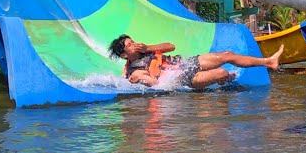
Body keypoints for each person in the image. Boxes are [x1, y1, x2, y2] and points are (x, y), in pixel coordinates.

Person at [108, 34, 282, 90]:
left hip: (186, 63)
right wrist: (142, 78)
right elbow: (155, 83)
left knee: (227, 55)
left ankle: (269, 62)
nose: (135, 44)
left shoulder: (146, 49)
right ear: (124, 55)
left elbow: (171, 46)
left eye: (133, 41)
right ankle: (224, 78)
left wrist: (148, 47)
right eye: (130, 45)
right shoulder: (134, 72)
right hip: (184, 78)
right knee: (222, 72)